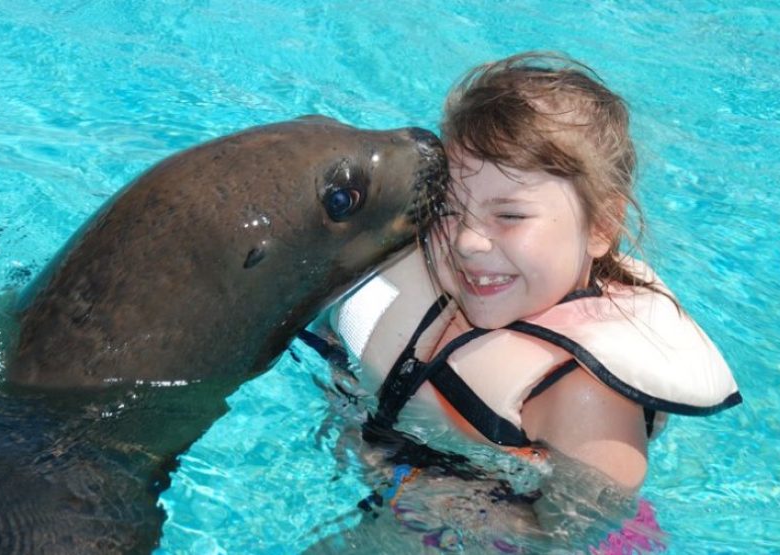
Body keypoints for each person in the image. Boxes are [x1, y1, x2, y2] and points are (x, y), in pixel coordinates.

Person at [309, 51, 741, 550]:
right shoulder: (448, 276)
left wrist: (418, 489)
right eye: (450, 209)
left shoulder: (584, 395)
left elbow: (567, 533)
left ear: (601, 226)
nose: (468, 241)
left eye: (510, 216)